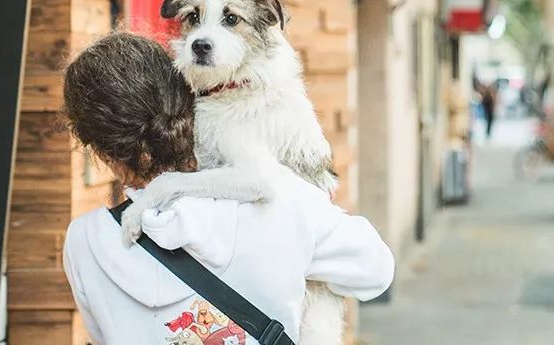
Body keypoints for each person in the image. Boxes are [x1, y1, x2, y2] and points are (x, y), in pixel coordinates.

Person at [61, 33, 394, 345]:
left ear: (103, 154)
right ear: (187, 105)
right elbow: (376, 271)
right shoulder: (279, 197)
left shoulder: (84, 242)